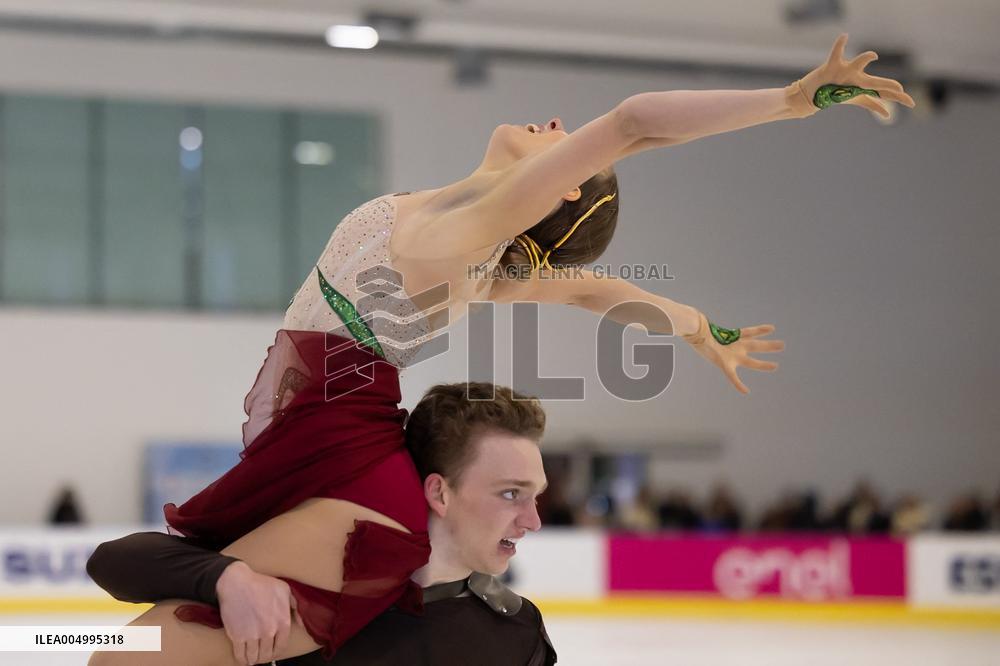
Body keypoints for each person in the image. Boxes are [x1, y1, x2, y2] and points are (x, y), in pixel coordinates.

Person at [96, 32, 914, 663]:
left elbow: (633, 125)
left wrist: (793, 99)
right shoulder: (480, 262)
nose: (558, 126)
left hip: (345, 449)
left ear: (559, 187)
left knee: (135, 652)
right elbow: (591, 288)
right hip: (336, 433)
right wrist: (699, 327)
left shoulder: (468, 238)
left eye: (568, 145)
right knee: (154, 627)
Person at [89, 384, 555, 665]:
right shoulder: (314, 583)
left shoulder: (518, 632)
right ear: (440, 493)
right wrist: (227, 577)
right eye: (510, 494)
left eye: (535, 495)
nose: (532, 521)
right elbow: (113, 563)